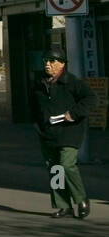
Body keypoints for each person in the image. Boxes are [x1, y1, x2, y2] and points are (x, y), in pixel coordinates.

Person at [31, 49, 97, 219]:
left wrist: (73, 114)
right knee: (55, 169)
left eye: (52, 61)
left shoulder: (72, 82)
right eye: (46, 60)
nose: (48, 64)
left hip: (69, 132)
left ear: (62, 64)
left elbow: (91, 99)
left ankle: (81, 199)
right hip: (47, 133)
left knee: (66, 165)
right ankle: (63, 205)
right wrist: (38, 125)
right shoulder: (40, 83)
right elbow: (34, 107)